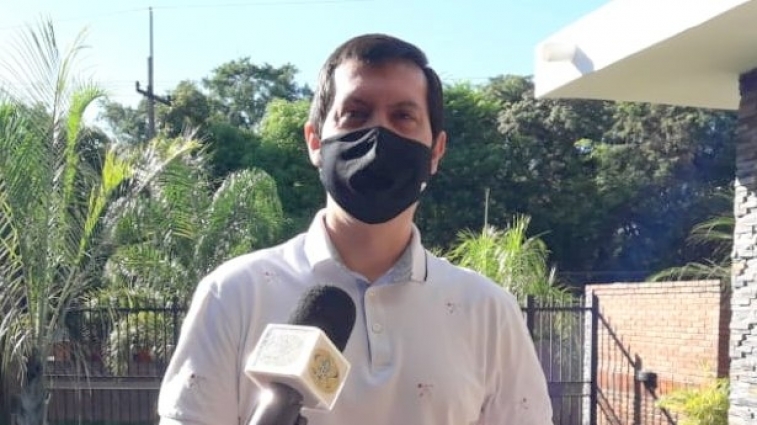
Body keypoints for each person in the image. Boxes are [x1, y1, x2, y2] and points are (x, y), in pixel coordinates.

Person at [157, 33, 553, 425]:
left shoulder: (488, 311)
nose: (378, 136)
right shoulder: (234, 293)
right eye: (356, 114)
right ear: (315, 141)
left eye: (403, 117)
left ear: (436, 151)